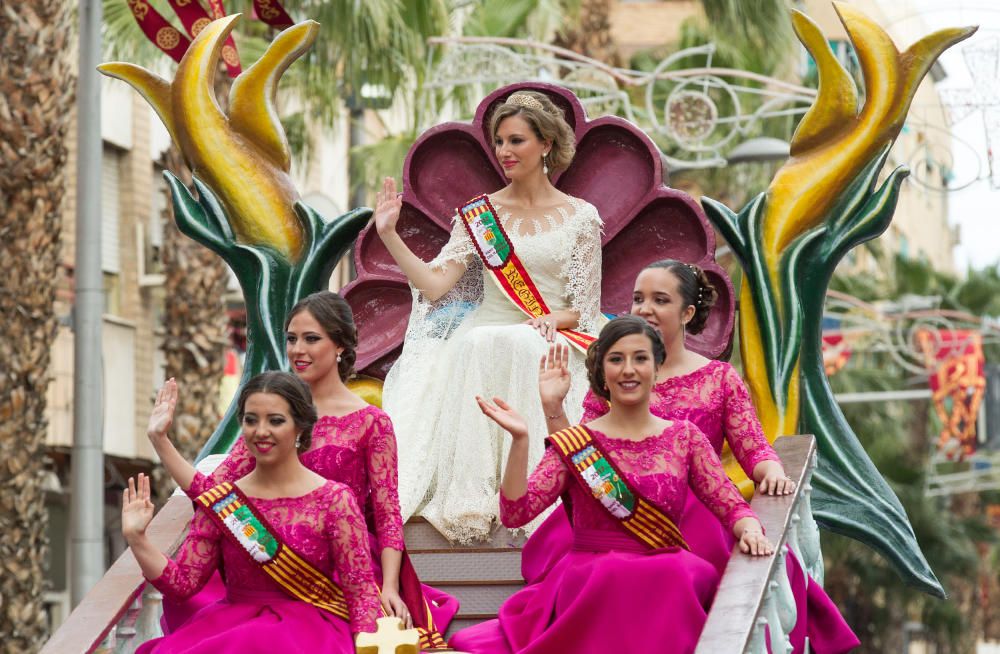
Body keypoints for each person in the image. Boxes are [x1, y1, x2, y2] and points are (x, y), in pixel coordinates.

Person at [528, 260, 860, 653]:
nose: (644, 309)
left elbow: (753, 447)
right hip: (618, 509)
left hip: (691, 510)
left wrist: (771, 471)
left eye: (660, 299)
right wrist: (554, 411)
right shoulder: (615, 377)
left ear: (688, 313)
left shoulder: (718, 378)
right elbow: (581, 454)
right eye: (638, 299)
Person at [448, 316, 772, 654]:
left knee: (675, 576)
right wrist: (520, 440)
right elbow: (516, 513)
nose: (629, 369)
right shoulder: (578, 443)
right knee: (615, 574)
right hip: (594, 578)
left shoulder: (685, 437)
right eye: (616, 359)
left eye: (640, 358)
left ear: (657, 367)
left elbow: (731, 504)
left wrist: (750, 529)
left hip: (668, 574)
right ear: (602, 372)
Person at [155, 292, 457, 648]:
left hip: (343, 563)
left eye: (311, 339)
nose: (298, 349)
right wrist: (161, 441)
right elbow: (214, 494)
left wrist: (389, 586)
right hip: (271, 556)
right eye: (292, 339)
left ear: (340, 346)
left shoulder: (371, 422)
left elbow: (388, 512)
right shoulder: (271, 413)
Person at [373, 90, 605, 542]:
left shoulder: (580, 217)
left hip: (552, 338)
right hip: (480, 335)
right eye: (499, 141)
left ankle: (532, 491)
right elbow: (436, 285)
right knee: (485, 342)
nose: (504, 151)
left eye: (516, 140)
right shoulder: (479, 215)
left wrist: (549, 320)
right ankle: (475, 494)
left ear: (546, 145)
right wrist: (389, 235)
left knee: (521, 343)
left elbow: (584, 309)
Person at [125, 372, 380, 653]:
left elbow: (361, 592)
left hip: (312, 634)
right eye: (251, 420)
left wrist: (366, 644)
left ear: (301, 427)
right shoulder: (224, 501)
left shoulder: (335, 500)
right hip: (232, 629)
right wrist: (137, 539)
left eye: (275, 420)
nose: (261, 431)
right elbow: (182, 584)